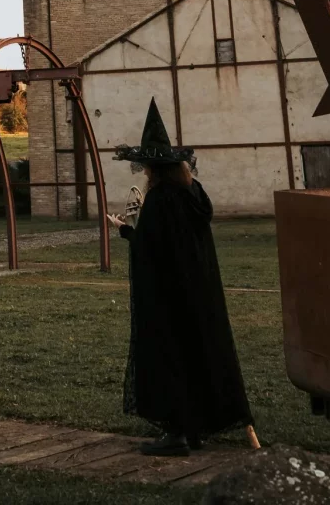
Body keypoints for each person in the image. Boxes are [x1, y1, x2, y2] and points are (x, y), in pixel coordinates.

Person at [108, 98, 252, 457]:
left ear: (155, 170)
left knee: (169, 356)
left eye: (145, 169)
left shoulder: (161, 200)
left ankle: (176, 433)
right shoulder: (194, 194)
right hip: (199, 293)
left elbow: (151, 250)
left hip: (170, 296)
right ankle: (194, 428)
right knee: (197, 353)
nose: (144, 173)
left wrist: (125, 231)